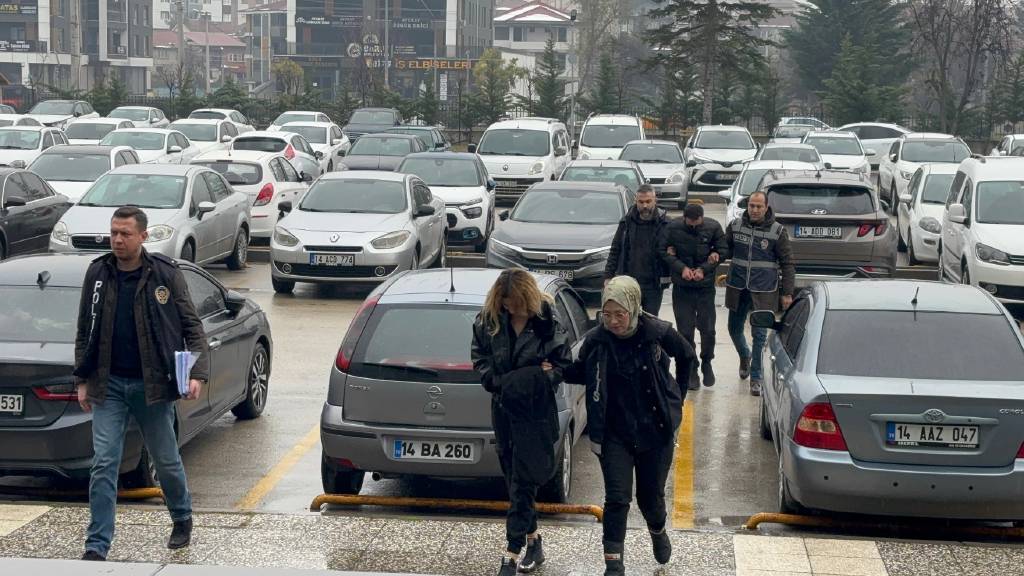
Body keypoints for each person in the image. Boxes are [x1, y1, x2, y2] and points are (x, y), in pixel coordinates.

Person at [74, 206, 209, 561]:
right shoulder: (99, 273)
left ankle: (182, 516)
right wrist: (82, 378)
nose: (118, 239)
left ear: (143, 236)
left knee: (165, 460)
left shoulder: (164, 274)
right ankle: (97, 543)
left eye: (126, 233)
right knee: (104, 463)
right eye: (114, 232)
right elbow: (84, 329)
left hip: (153, 386)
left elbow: (192, 326)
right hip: (108, 385)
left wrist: (197, 374)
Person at [565, 276, 695, 576]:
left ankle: (658, 530)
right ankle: (613, 563)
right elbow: (581, 372)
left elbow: (687, 356)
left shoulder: (658, 332)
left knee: (650, 498)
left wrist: (678, 397)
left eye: (619, 314)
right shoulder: (597, 339)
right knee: (617, 498)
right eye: (607, 314)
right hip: (614, 433)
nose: (613, 321)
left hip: (655, 430)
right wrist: (552, 368)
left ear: (633, 308)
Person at [470, 269, 573, 576]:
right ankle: (534, 540)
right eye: (506, 303)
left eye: (516, 303)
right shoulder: (488, 321)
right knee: (514, 478)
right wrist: (504, 382)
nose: (512, 309)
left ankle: (511, 552)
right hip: (504, 410)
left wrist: (545, 377)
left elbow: (562, 363)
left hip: (536, 413)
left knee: (523, 483)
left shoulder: (547, 321)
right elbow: (480, 360)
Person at [725, 191, 795, 396]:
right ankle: (744, 356)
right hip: (738, 287)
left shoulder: (777, 231)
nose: (754, 210)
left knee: (759, 335)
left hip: (764, 290)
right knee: (733, 329)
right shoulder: (735, 226)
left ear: (766, 208)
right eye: (752, 206)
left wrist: (787, 293)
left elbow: (788, 263)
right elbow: (723, 250)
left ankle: (756, 378)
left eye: (759, 207)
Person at [659, 203, 726, 390]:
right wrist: (681, 268)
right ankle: (693, 368)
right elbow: (662, 251)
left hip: (705, 289)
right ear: (685, 218)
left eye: (697, 223)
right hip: (682, 288)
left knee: (708, 329)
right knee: (685, 331)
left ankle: (707, 361)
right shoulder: (673, 228)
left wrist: (706, 267)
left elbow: (723, 250)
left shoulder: (713, 227)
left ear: (702, 218)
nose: (694, 226)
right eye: (691, 223)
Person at [604, 183, 671, 315]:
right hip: (628, 282)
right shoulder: (626, 222)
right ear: (636, 201)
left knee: (650, 320)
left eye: (648, 201)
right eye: (641, 202)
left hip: (653, 284)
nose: (645, 205)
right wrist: (608, 276)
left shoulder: (666, 224)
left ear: (655, 200)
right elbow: (615, 250)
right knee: (629, 319)